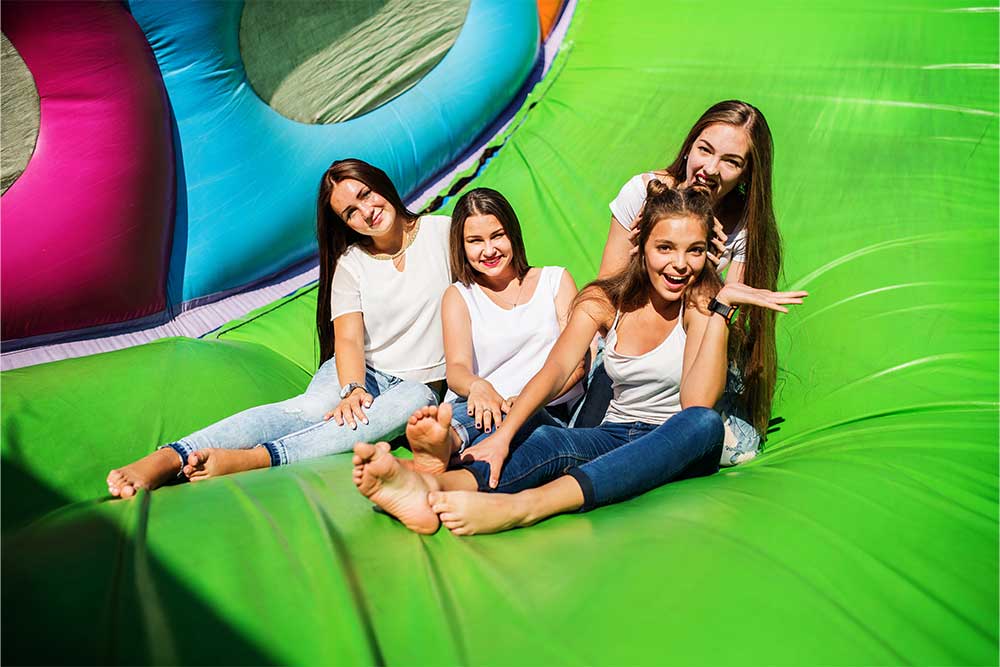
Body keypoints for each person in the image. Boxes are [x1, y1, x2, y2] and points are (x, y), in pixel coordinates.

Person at [351, 182, 808, 534]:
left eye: (692, 250)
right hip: (614, 435)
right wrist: (504, 435)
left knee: (703, 424)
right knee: (554, 440)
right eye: (665, 248)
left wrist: (720, 311)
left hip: (676, 439)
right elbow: (554, 370)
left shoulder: (702, 304)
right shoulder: (604, 301)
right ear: (642, 246)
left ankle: (524, 507)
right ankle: (424, 488)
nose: (679, 264)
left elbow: (695, 403)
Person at [106, 159, 450, 498]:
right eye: (350, 212)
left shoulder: (444, 233)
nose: (367, 211)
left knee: (412, 403)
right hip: (363, 371)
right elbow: (347, 336)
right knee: (310, 410)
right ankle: (172, 455)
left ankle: (257, 458)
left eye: (365, 194)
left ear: (381, 184)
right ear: (346, 224)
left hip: (419, 382)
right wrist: (353, 388)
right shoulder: (351, 263)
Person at [579, 100, 781, 468]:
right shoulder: (642, 193)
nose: (710, 168)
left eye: (731, 161)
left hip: (696, 351)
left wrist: (707, 271)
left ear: (748, 173)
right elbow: (607, 298)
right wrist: (648, 249)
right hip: (636, 344)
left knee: (730, 448)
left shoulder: (743, 230)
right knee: (585, 436)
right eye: (705, 150)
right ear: (689, 146)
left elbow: (724, 325)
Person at [409, 187, 585, 475]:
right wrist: (479, 386)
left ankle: (447, 446)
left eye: (497, 236)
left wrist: (526, 400)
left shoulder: (555, 281)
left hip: (544, 408)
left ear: (512, 234)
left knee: (523, 421)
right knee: (481, 411)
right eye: (475, 241)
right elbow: (457, 369)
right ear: (462, 246)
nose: (488, 250)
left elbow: (577, 366)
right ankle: (443, 442)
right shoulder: (459, 296)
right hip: (481, 407)